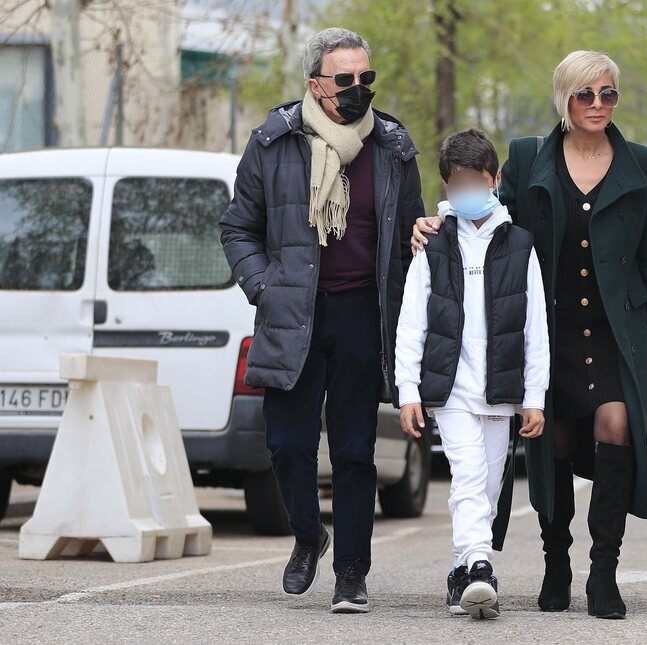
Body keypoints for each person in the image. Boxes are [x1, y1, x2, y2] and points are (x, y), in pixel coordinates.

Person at [412, 51, 647, 619]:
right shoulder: (528, 157)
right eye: (586, 94)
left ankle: (603, 571)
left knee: (617, 425)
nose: (598, 105)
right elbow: (489, 222)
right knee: (554, 441)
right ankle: (556, 561)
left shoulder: (642, 164)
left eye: (608, 94)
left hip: (615, 328)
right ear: (564, 97)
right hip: (550, 325)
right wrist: (437, 223)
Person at [218, 27, 424, 613]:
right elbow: (238, 228)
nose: (359, 89)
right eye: (346, 79)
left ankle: (352, 575)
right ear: (315, 84)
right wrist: (264, 286)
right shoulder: (273, 141)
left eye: (367, 78)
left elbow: (410, 237)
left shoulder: (393, 147)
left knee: (357, 450)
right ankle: (309, 535)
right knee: (287, 445)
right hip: (293, 313)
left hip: (364, 313)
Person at [395, 129, 550, 620]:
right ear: (446, 185)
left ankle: (461, 569)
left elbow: (536, 327)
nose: (467, 191)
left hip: (502, 389)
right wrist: (408, 390)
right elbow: (412, 319)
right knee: (465, 475)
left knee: (487, 486)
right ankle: (481, 568)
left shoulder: (521, 246)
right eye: (457, 183)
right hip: (451, 387)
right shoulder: (435, 244)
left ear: (495, 179)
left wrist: (535, 396)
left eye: (476, 181)